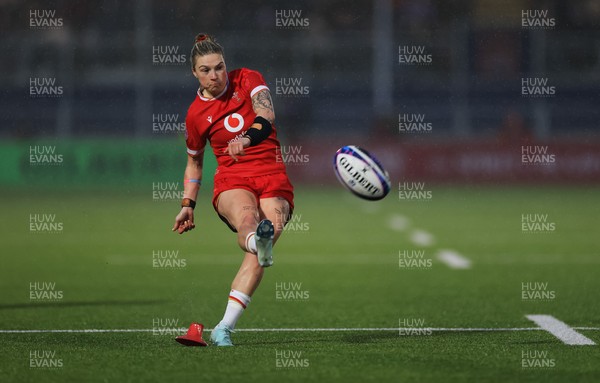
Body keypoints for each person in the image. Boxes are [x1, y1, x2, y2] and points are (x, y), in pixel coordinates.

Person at [172, 33, 294, 347]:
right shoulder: (195, 116)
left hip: (271, 171)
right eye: (206, 70)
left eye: (219, 67)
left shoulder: (248, 78)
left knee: (271, 227)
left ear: (227, 65)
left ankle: (223, 327)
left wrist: (248, 139)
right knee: (247, 218)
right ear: (194, 74)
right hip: (232, 177)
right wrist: (188, 203)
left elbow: (267, 115)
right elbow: (195, 164)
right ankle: (256, 239)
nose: (215, 75)